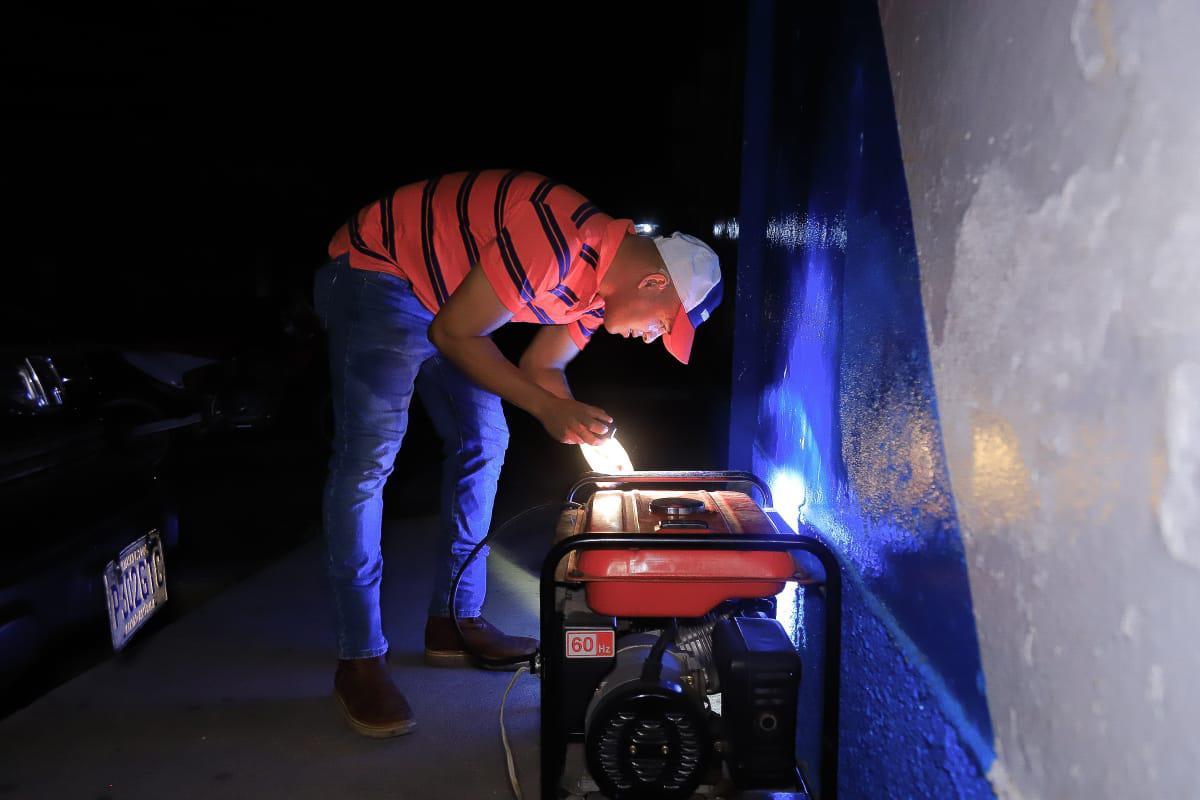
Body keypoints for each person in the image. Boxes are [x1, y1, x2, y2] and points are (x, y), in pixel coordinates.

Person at [312, 169, 722, 737]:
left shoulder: (595, 298)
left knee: (487, 439)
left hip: (445, 303)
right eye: (663, 324)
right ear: (654, 283)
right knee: (367, 462)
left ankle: (454, 620)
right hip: (378, 271)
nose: (652, 337)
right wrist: (545, 408)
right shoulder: (557, 240)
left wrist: (587, 434)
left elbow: (542, 369)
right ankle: (359, 658)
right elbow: (456, 335)